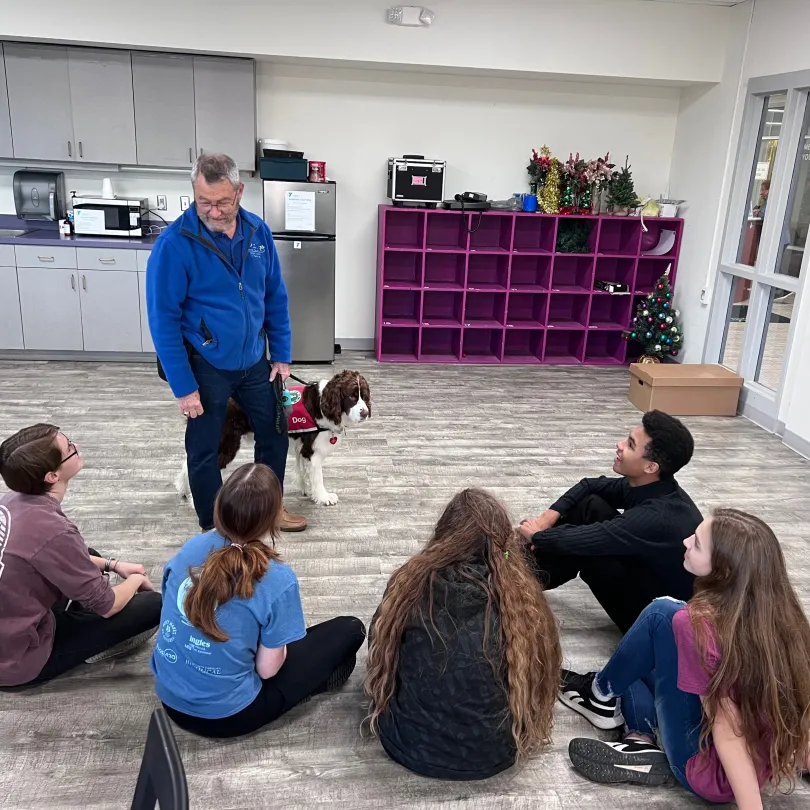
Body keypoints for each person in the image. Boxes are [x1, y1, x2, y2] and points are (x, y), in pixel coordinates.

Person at [558, 509, 810, 808]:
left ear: (724, 571)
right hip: (760, 759)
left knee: (659, 616)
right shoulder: (786, 622)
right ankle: (630, 726)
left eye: (697, 543)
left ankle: (613, 709)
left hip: (707, 772)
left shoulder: (698, 623)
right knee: (643, 655)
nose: (686, 540)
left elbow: (728, 731)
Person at [146, 151, 306, 534]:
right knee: (205, 449)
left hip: (254, 361)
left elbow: (274, 296)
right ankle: (214, 525)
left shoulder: (257, 232)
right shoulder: (175, 244)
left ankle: (269, 508)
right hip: (206, 364)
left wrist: (281, 353)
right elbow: (163, 320)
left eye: (222, 202)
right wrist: (184, 387)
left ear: (239, 191)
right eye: (204, 203)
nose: (214, 212)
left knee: (275, 432)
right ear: (193, 194)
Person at [151, 462, 365, 738]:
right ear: (274, 518)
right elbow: (267, 671)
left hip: (169, 697)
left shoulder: (191, 547)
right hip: (228, 716)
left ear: (219, 506)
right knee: (349, 629)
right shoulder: (278, 579)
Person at [365, 488, 561, 780]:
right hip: (494, 756)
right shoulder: (525, 602)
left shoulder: (408, 587)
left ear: (443, 534)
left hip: (408, 745)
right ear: (502, 541)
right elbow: (541, 672)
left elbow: (377, 643)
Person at [0, 424, 161, 687]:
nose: (78, 448)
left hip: (9, 622)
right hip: (16, 661)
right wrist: (135, 580)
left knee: (90, 556)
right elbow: (109, 605)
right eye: (70, 448)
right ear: (52, 475)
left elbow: (54, 554)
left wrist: (113, 564)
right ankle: (86, 648)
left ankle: (78, 615)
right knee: (153, 604)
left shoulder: (12, 501)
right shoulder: (53, 529)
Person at [518, 409, 701, 633]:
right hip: (646, 578)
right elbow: (589, 485)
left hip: (651, 624)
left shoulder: (657, 516)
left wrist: (537, 535)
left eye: (631, 445)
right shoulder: (653, 486)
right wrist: (548, 517)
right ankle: (524, 572)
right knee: (590, 504)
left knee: (585, 550)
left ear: (650, 467)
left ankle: (515, 583)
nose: (620, 444)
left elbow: (588, 537)